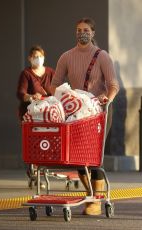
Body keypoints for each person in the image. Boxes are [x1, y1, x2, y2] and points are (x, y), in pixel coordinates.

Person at [50, 17, 119, 215]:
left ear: (93, 33)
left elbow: (113, 85)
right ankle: (90, 194)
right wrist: (63, 97)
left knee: (95, 156)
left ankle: (96, 202)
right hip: (76, 112)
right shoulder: (66, 56)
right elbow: (54, 83)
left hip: (99, 111)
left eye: (86, 29)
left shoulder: (102, 56)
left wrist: (107, 98)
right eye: (79, 29)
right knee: (78, 157)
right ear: (75, 32)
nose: (83, 32)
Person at [16, 45, 55, 180]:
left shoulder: (50, 72)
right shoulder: (26, 74)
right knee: (35, 141)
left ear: (44, 58)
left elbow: (57, 87)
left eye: (40, 57)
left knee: (49, 139)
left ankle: (46, 165)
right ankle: (33, 168)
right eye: (35, 57)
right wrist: (31, 96)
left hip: (49, 113)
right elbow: (21, 93)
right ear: (30, 58)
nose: (38, 59)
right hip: (31, 114)